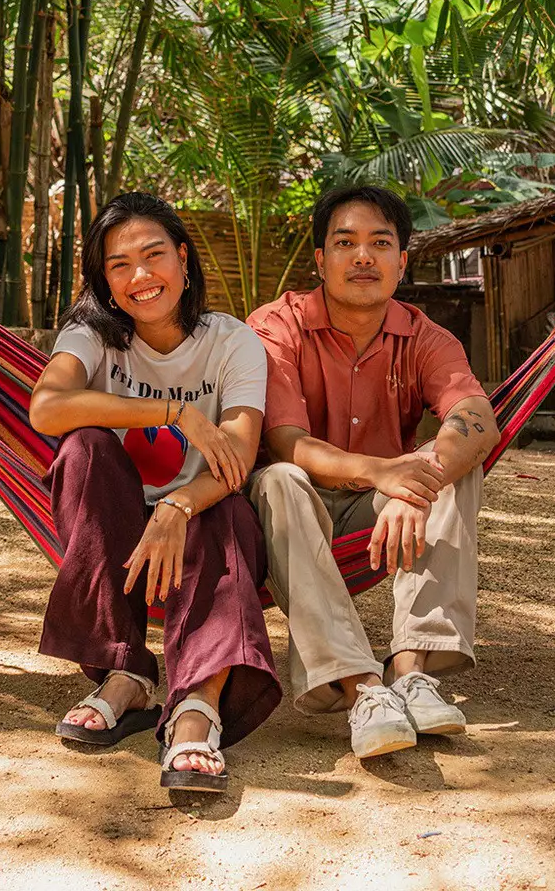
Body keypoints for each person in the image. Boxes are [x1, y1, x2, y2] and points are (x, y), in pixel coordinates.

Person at [28, 193, 282, 795]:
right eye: (119, 265)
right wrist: (175, 412)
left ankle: (198, 700)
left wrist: (176, 504)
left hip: (202, 509)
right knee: (84, 446)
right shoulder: (91, 336)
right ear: (104, 281)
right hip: (112, 518)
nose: (140, 276)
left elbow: (239, 457)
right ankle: (128, 673)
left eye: (153, 255)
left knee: (229, 514)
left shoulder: (232, 341)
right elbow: (47, 408)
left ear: (184, 260)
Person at [246, 184, 499, 759]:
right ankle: (359, 685)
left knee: (456, 465)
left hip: (378, 514)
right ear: (320, 259)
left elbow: (476, 418)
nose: (364, 257)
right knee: (281, 478)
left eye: (380, 243)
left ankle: (411, 669)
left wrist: (418, 480)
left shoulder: (425, 336)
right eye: (346, 243)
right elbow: (285, 442)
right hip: (286, 512)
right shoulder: (275, 326)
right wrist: (383, 471)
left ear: (402, 261)